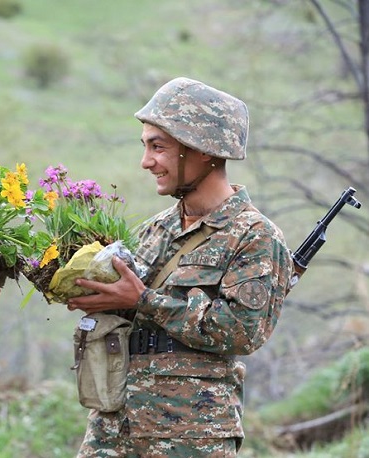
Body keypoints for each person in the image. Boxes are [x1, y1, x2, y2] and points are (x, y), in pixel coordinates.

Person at [67, 77, 293, 457]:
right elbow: (127, 306)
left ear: (203, 151)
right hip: (114, 423)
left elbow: (243, 332)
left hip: (192, 433)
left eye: (159, 147)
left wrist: (145, 301)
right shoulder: (153, 230)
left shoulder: (254, 237)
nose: (146, 162)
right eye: (145, 146)